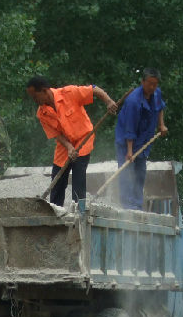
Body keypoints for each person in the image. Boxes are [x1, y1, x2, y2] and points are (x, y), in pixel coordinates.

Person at [25, 75, 119, 207]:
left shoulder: (69, 93)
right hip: (64, 145)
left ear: (45, 90)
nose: (34, 100)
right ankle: (55, 213)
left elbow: (93, 89)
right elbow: (55, 134)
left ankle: (80, 211)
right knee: (57, 180)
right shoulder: (42, 113)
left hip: (83, 138)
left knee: (78, 176)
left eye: (35, 96)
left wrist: (108, 101)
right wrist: (69, 147)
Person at [114, 67, 168, 210]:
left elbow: (160, 108)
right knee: (126, 172)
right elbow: (130, 128)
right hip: (126, 142)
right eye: (150, 83)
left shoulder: (156, 94)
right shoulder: (133, 101)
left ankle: (137, 205)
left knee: (140, 173)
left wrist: (161, 125)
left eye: (155, 84)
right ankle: (126, 205)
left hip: (144, 141)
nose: (152, 87)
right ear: (143, 82)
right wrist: (130, 151)